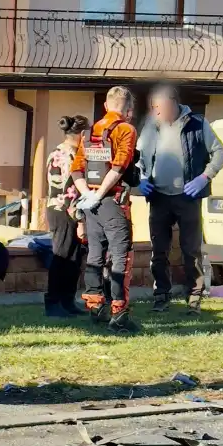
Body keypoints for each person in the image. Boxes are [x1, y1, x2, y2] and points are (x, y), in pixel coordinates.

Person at [138, 83, 223, 313]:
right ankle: (161, 297)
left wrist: (204, 178)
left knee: (191, 251)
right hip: (158, 197)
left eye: (160, 106)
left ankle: (194, 300)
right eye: (154, 107)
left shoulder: (197, 124)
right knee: (159, 251)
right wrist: (141, 179)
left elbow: (220, 152)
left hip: (188, 196)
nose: (157, 111)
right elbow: (139, 159)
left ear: (173, 102)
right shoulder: (150, 126)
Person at [71, 86, 140, 332]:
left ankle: (95, 306)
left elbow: (77, 169)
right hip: (113, 202)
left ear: (105, 106)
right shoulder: (125, 129)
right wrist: (100, 194)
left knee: (94, 256)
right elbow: (120, 166)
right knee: (122, 257)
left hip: (91, 205)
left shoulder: (90, 131)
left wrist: (88, 195)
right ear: (128, 109)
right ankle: (119, 313)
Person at [44, 115, 90, 317]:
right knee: (62, 257)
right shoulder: (67, 156)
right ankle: (54, 302)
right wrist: (80, 220)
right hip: (63, 211)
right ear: (81, 134)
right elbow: (69, 191)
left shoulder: (62, 152)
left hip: (65, 209)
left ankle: (67, 301)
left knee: (74, 256)